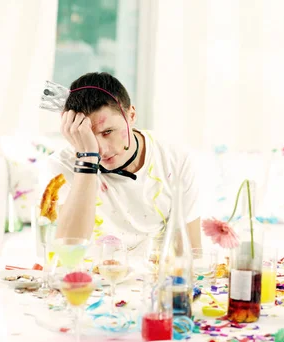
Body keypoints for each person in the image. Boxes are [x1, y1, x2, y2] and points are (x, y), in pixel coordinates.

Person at [44, 72, 201, 251]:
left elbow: (192, 251)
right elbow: (69, 251)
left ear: (131, 115)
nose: (100, 150)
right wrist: (87, 160)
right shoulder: (61, 165)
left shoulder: (176, 159)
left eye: (107, 132)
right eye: (88, 136)